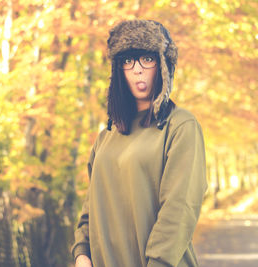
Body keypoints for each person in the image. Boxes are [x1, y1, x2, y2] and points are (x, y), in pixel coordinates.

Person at [71, 19, 207, 267]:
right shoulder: (106, 137)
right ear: (118, 70)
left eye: (147, 59)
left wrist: (158, 262)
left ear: (163, 65)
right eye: (127, 61)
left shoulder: (180, 126)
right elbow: (90, 209)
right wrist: (82, 253)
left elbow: (179, 208)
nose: (137, 70)